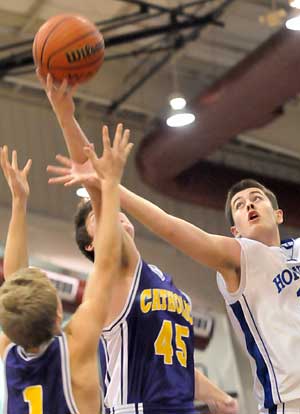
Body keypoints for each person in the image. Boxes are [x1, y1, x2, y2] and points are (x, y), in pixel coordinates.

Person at [49, 146, 300, 414]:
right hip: (295, 402)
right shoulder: (239, 257)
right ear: (235, 231)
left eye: (256, 199)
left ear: (279, 214)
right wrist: (112, 186)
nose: (249, 205)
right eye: (240, 206)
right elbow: (171, 228)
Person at [39, 73, 238, 414]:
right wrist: (66, 117)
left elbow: (174, 364)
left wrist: (219, 397)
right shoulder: (118, 271)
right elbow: (96, 182)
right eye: (98, 220)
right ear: (92, 245)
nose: (113, 218)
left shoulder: (159, 279)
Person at [0, 122, 132, 414]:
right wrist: (110, 185)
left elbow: (14, 281)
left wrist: (19, 203)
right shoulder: (74, 349)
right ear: (60, 313)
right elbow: (108, 262)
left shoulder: (8, 350)